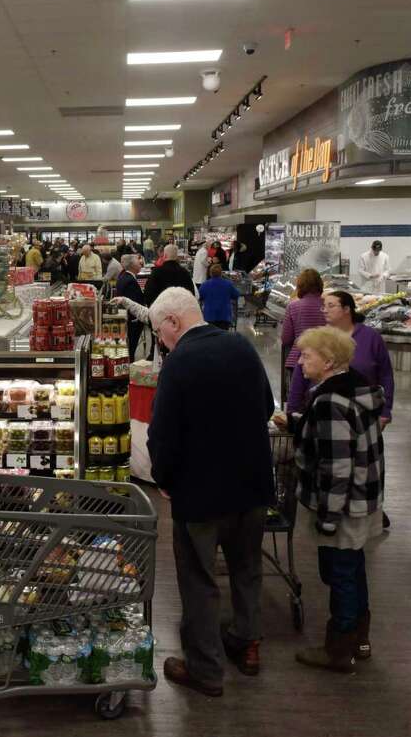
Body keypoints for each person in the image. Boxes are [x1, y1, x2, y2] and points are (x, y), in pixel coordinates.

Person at [147, 288, 274, 693]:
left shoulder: (179, 362)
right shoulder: (240, 346)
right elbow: (268, 406)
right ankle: (247, 643)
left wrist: (165, 480)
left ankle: (205, 669)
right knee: (247, 568)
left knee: (199, 580)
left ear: (173, 322)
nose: (160, 341)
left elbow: (162, 436)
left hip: (199, 495)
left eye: (158, 332)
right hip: (252, 485)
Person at [292, 326, 385, 673]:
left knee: (339, 573)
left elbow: (338, 466)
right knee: (354, 566)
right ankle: (360, 638)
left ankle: (338, 649)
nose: (300, 361)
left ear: (329, 361)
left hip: (342, 504)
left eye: (307, 355)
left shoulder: (330, 402)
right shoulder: (358, 388)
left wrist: (328, 518)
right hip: (364, 497)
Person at [288, 291, 394, 424]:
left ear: (346, 309)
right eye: (324, 306)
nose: (325, 310)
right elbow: (299, 376)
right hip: (321, 410)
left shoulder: (371, 337)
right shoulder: (316, 337)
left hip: (364, 411)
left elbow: (386, 375)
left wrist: (385, 411)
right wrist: (292, 410)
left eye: (331, 306)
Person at [281, 269, 327, 376]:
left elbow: (286, 339)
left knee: (298, 392)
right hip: (324, 359)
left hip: (299, 359)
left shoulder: (292, 306)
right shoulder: (328, 305)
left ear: (300, 286)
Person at [115, 254, 147, 359]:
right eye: (138, 261)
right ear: (132, 265)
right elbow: (133, 304)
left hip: (128, 321)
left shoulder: (125, 277)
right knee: (130, 349)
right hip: (132, 322)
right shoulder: (130, 281)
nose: (141, 263)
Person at [198, 264, 241, 330]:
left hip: (209, 316)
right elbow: (236, 295)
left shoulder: (204, 285)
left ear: (210, 273)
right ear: (221, 273)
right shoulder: (228, 284)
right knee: (223, 337)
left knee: (211, 336)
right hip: (224, 316)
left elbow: (199, 297)